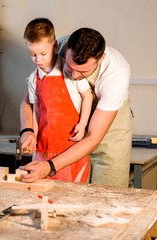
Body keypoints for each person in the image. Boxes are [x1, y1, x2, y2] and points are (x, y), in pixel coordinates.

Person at [20, 27, 132, 188]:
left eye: (82, 71)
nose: (73, 76)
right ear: (64, 49)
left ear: (101, 60)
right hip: (72, 127)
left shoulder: (116, 74)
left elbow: (93, 138)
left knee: (108, 189)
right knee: (70, 191)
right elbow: (28, 100)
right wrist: (27, 131)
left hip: (109, 124)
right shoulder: (56, 47)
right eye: (69, 67)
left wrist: (50, 167)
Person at [20, 18, 93, 183]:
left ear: (54, 45)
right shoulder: (33, 79)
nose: (38, 59)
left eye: (42, 54)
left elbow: (87, 95)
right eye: (32, 55)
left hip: (70, 147)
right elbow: (37, 111)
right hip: (44, 148)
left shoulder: (69, 70)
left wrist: (82, 125)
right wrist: (34, 136)